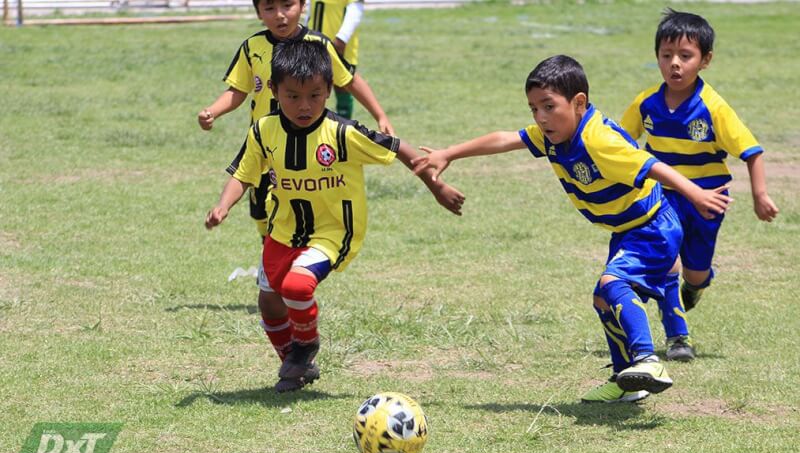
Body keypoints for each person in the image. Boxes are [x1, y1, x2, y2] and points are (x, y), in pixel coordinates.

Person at [413, 55, 731, 403]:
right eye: (534, 108)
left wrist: (695, 193)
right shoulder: (553, 136)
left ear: (579, 102)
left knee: (614, 284)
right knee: (602, 299)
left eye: (549, 106)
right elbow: (505, 139)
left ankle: (647, 361)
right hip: (627, 229)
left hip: (653, 226)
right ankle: (628, 381)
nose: (540, 117)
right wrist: (450, 153)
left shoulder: (598, 140)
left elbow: (652, 166)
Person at [205, 39, 465, 393]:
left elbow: (399, 148)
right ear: (275, 91)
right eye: (292, 96)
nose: (304, 105)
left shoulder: (342, 133)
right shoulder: (264, 130)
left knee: (296, 286)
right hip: (281, 230)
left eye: (314, 95)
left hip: (332, 232)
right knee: (268, 299)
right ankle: (294, 363)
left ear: (328, 90)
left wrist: (436, 187)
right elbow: (243, 174)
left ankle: (306, 344)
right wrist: (223, 206)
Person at [197, 0, 404, 364]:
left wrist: (380, 113)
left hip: (312, 152)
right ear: (258, 11)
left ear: (303, 5)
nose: (280, 14)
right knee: (269, 228)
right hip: (267, 152)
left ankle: (295, 284)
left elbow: (349, 78)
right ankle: (281, 286)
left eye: (288, 5)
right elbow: (238, 90)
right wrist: (214, 110)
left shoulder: (320, 46)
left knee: (296, 246)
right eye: (270, 7)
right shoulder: (252, 48)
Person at [620, 9, 778, 361]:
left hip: (708, 199)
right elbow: (621, 145)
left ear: (705, 60)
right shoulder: (645, 103)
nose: (674, 64)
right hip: (661, 194)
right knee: (665, 262)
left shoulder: (714, 107)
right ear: (657, 57)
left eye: (685, 56)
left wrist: (760, 195)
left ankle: (698, 284)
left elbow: (751, 152)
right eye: (666, 55)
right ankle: (678, 338)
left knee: (695, 271)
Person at [306, 0, 364, 119]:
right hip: (312, 42)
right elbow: (311, 9)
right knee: (310, 84)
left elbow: (356, 9)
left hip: (339, 43)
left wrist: (342, 38)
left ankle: (344, 125)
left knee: (343, 84)